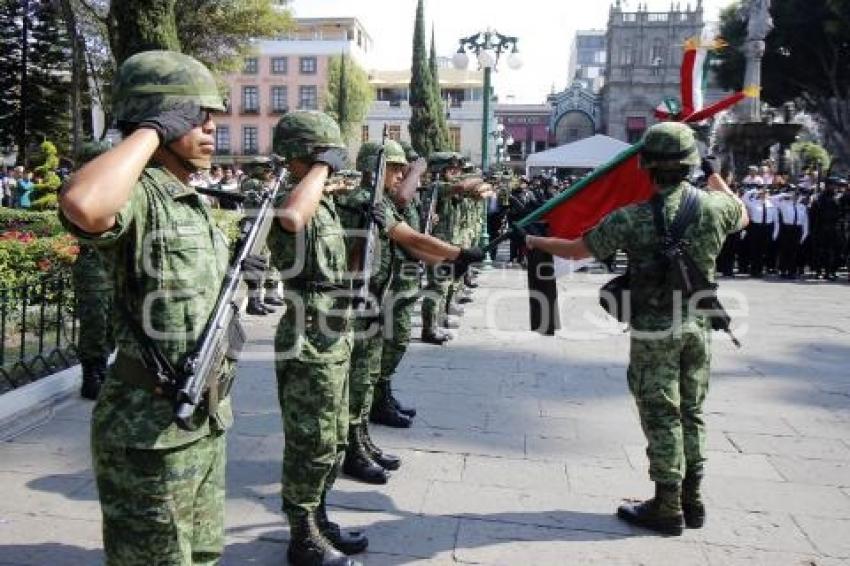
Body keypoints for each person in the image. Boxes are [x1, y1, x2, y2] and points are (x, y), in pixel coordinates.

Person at [515, 122, 748, 535]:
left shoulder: (631, 218)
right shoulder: (715, 207)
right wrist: (712, 174)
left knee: (662, 413)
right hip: (699, 323)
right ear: (689, 164)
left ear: (645, 166)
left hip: (655, 329)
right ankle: (693, 500)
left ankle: (666, 505)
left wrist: (537, 244)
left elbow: (577, 248)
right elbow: (742, 213)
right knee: (692, 411)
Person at [58, 50, 238, 563]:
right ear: (156, 117)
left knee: (202, 555)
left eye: (211, 118)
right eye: (194, 116)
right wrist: (153, 130)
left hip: (204, 418)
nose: (208, 128)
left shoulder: (189, 199)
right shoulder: (137, 194)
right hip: (147, 433)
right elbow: (85, 205)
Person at [267, 110, 365, 566]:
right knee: (310, 438)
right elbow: (290, 218)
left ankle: (319, 518)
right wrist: (322, 169)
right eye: (324, 152)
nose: (334, 161)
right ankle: (302, 534)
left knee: (333, 437)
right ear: (303, 155)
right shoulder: (287, 196)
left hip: (335, 331)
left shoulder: (322, 198)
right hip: (307, 338)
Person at [240, 156, 282, 315]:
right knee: (255, 265)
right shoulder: (251, 182)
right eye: (265, 168)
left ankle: (261, 299)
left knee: (266, 263)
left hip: (263, 226)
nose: (269, 172)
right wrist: (272, 185)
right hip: (253, 227)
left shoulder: (263, 182)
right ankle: (253, 302)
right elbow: (264, 194)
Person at [775, 189, 809, 279]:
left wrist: (804, 235)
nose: (796, 197)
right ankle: (782, 270)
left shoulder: (802, 207)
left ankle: (792, 271)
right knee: (784, 250)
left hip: (797, 230)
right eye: (794, 195)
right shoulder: (784, 204)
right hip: (786, 228)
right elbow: (772, 200)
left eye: (798, 195)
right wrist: (784, 195)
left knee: (794, 252)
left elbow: (805, 222)